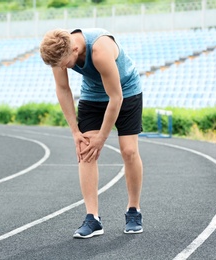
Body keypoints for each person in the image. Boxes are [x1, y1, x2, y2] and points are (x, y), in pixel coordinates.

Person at [40, 28, 144, 239]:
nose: (62, 68)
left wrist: (102, 138)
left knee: (129, 151)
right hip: (93, 94)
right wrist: (75, 132)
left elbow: (116, 98)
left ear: (75, 49)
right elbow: (63, 89)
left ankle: (134, 210)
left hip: (126, 90)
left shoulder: (100, 49)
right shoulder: (59, 52)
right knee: (85, 149)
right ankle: (92, 218)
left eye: (64, 64)